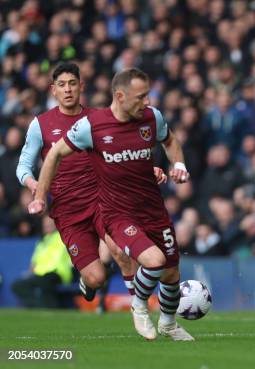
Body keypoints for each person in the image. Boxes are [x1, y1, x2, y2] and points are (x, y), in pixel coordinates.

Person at [29, 68, 193, 341]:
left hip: (153, 208)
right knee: (154, 261)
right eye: (140, 97)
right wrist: (39, 196)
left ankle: (168, 323)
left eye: (147, 95)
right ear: (120, 96)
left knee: (171, 272)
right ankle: (139, 305)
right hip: (117, 212)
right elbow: (55, 154)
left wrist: (178, 164)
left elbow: (171, 141)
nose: (147, 102)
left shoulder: (152, 118)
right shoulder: (92, 126)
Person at [15, 63, 168, 305]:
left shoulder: (98, 119)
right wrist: (33, 183)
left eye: (72, 84)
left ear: (81, 87)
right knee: (97, 278)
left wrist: (149, 170)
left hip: (103, 200)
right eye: (62, 85)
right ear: (53, 90)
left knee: (120, 250)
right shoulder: (40, 124)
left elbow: (123, 152)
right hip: (68, 209)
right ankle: (90, 281)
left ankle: (139, 310)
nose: (68, 90)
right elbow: (23, 165)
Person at [11, 215, 73, 308]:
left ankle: (47, 307)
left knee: (46, 283)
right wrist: (30, 273)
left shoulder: (63, 237)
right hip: (40, 275)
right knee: (17, 285)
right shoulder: (41, 242)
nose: (46, 227)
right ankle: (40, 306)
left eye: (49, 224)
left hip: (57, 273)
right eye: (45, 225)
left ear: (56, 225)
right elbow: (33, 262)